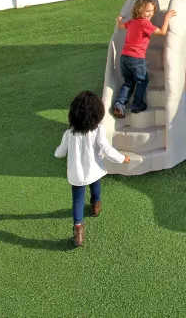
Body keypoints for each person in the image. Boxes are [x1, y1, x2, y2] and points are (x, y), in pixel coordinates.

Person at [55, 90, 130, 247]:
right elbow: (107, 150)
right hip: (94, 169)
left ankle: (78, 229)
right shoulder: (97, 130)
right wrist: (122, 158)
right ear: (97, 114)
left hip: (76, 174)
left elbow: (60, 153)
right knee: (95, 187)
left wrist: (57, 153)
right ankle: (96, 206)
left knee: (77, 200)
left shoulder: (69, 133)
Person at [112, 0, 176, 119]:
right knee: (142, 81)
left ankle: (119, 105)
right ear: (139, 11)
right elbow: (162, 32)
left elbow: (120, 25)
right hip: (137, 59)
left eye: (152, 11)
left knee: (129, 82)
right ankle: (137, 105)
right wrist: (167, 17)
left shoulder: (132, 22)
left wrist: (118, 20)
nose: (150, 14)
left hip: (124, 58)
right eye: (147, 11)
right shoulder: (145, 24)